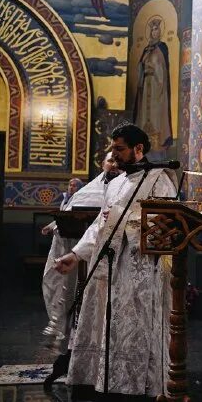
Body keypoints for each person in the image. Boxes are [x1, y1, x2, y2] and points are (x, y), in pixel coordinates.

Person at [53, 124, 177, 402]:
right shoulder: (117, 183)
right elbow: (100, 224)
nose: (114, 154)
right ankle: (107, 385)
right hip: (109, 268)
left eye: (119, 149)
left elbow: (165, 226)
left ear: (138, 149)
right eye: (113, 148)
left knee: (136, 328)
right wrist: (76, 254)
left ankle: (138, 391)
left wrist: (123, 219)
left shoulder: (161, 181)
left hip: (141, 270)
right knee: (109, 326)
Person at [41, 154, 121, 386]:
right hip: (82, 267)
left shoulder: (125, 189)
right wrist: (58, 228)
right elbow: (67, 218)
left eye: (117, 159)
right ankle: (75, 356)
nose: (113, 164)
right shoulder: (86, 192)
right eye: (109, 160)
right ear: (102, 164)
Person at [133, 17, 172, 155]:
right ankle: (143, 142)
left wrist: (158, 75)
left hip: (157, 85)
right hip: (146, 85)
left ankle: (157, 145)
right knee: (144, 114)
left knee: (156, 115)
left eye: (157, 29)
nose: (155, 32)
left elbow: (163, 68)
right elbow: (140, 66)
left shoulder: (162, 47)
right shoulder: (146, 49)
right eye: (153, 30)